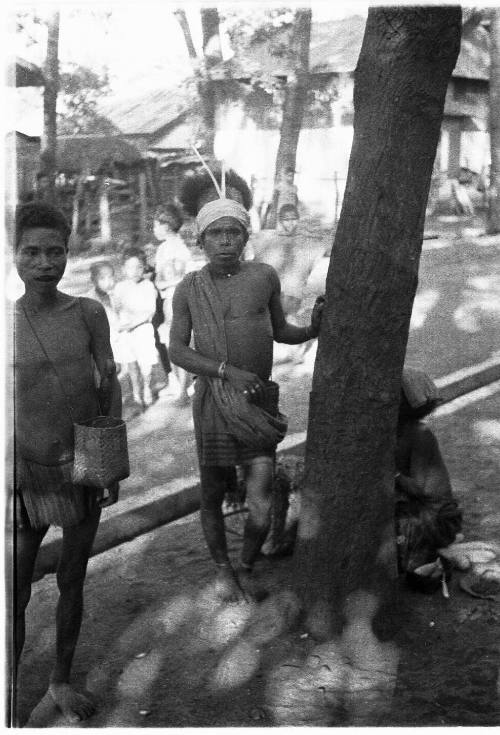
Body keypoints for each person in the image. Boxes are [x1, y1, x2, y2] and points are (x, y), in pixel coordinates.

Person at [169, 197, 325, 602]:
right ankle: (223, 569)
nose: (225, 241)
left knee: (260, 501)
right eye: (215, 234)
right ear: (201, 241)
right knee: (212, 493)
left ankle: (246, 564)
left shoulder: (264, 276)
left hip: (257, 404)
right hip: (216, 402)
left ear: (245, 236)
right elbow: (177, 351)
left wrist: (311, 329)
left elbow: (279, 330)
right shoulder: (189, 290)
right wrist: (225, 370)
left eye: (232, 232)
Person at [10, 202, 122, 723]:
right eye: (31, 251)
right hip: (21, 473)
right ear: (14, 255)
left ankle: (59, 678)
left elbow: (110, 382)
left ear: (67, 254)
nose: (44, 262)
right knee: (13, 586)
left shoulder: (88, 314)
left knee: (72, 577)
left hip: (81, 467)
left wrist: (110, 463)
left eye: (54, 251)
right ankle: (7, 686)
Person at [153, 204, 192, 404]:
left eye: (156, 225)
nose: (154, 229)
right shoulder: (167, 247)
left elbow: (180, 276)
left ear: (166, 226)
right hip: (170, 298)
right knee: (172, 343)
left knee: (177, 344)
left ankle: (184, 391)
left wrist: (161, 282)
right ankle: (180, 385)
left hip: (175, 299)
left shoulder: (173, 249)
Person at [114, 248, 158, 409]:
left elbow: (149, 311)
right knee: (131, 362)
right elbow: (115, 308)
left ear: (144, 268)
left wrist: (132, 324)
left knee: (145, 363)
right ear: (124, 269)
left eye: (139, 267)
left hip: (143, 330)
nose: (134, 271)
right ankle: (136, 392)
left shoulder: (148, 286)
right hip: (126, 332)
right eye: (130, 267)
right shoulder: (119, 287)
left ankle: (146, 387)